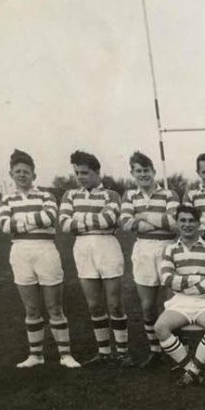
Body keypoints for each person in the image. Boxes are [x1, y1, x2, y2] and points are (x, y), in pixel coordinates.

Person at [0, 149, 80, 369]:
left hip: (45, 251)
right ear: (11, 174)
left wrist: (21, 222)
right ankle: (36, 355)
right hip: (20, 253)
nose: (22, 175)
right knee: (31, 309)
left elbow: (49, 218)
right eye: (18, 171)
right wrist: (32, 221)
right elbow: (5, 226)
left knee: (55, 307)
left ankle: (65, 355)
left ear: (34, 174)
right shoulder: (7, 198)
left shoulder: (46, 195)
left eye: (26, 171)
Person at [59, 150, 132, 367]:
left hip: (107, 246)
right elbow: (64, 224)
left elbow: (108, 219)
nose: (80, 177)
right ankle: (104, 352)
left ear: (97, 172)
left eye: (85, 172)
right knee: (94, 305)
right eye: (77, 173)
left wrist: (79, 218)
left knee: (115, 304)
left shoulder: (112, 195)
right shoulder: (69, 195)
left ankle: (123, 352)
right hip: (82, 248)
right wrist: (93, 219)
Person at [119, 151, 179, 368]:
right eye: (138, 171)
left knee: (171, 303)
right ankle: (155, 350)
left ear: (153, 171)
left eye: (146, 170)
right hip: (143, 249)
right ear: (133, 173)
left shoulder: (169, 194)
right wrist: (157, 221)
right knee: (147, 306)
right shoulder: (129, 195)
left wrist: (142, 216)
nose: (143, 174)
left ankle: (173, 349)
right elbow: (126, 223)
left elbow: (174, 223)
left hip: (168, 249)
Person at [155, 205, 205, 386]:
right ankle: (193, 369)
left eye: (191, 221)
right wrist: (199, 278)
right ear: (177, 223)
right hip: (180, 301)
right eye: (183, 220)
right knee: (160, 327)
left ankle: (191, 372)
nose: (187, 225)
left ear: (198, 223)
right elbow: (167, 279)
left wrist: (183, 282)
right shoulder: (170, 249)